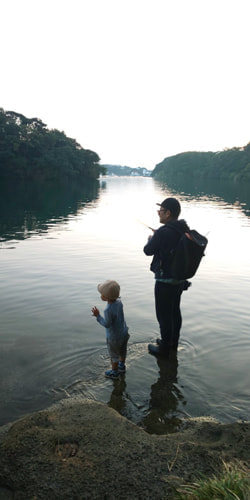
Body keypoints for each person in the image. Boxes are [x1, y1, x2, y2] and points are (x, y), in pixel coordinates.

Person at [143, 197, 190, 357]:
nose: (158, 213)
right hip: (179, 280)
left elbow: (147, 250)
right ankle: (172, 343)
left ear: (168, 213)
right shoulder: (183, 228)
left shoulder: (163, 232)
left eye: (160, 211)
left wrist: (151, 238)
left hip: (164, 280)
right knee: (174, 311)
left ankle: (163, 349)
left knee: (163, 314)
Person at [91, 280, 129, 379]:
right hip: (124, 332)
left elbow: (107, 324)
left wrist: (98, 316)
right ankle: (122, 367)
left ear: (106, 297)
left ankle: (114, 373)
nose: (100, 296)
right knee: (122, 351)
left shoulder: (107, 310)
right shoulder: (119, 302)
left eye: (102, 294)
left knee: (114, 355)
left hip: (114, 337)